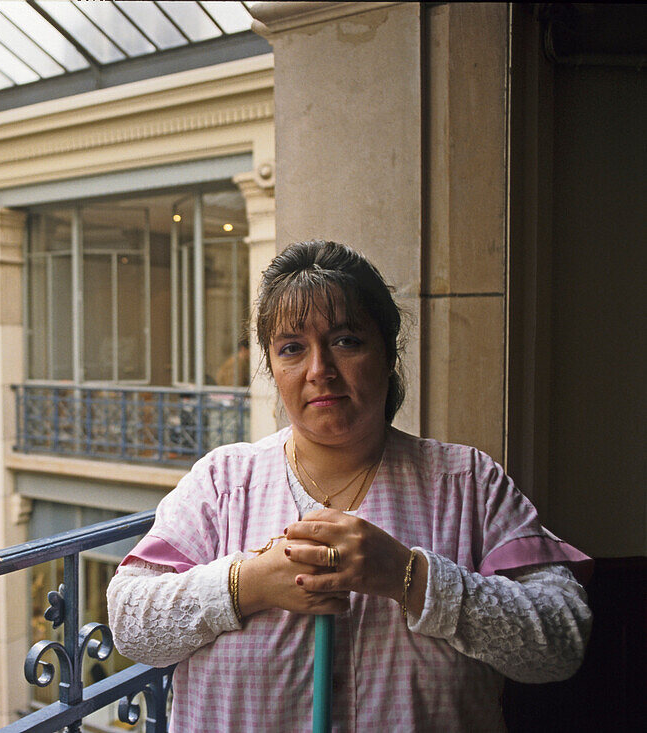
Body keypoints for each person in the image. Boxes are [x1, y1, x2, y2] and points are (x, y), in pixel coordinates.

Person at [107, 240, 591, 731]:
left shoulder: (467, 482)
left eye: (346, 341)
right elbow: (130, 624)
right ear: (273, 367)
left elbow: (560, 640)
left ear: (387, 353)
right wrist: (246, 585)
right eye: (292, 348)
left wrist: (410, 578)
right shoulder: (224, 482)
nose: (320, 370)